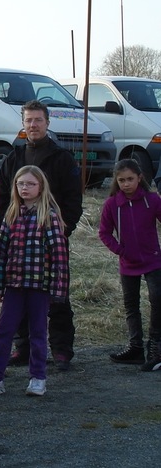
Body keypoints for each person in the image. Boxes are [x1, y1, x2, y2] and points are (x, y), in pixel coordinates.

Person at [0, 100, 82, 371]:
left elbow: (73, 199)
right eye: (29, 120)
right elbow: (1, 197)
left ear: (47, 123)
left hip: (52, 240)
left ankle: (61, 349)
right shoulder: (14, 157)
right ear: (23, 123)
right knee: (18, 292)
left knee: (57, 294)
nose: (33, 125)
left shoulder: (62, 158)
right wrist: (6, 228)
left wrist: (61, 230)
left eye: (38, 120)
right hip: (18, 240)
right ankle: (23, 347)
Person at [0, 165, 69, 398]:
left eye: (31, 184)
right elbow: (0, 252)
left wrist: (58, 289)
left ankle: (38, 377)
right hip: (14, 285)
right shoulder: (11, 215)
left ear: (41, 187)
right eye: (21, 183)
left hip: (39, 285)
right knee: (3, 331)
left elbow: (59, 255)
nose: (25, 188)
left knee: (38, 332)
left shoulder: (49, 216)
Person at [97, 158, 161, 371]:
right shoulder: (112, 204)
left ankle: (156, 346)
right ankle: (135, 348)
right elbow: (104, 233)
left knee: (157, 300)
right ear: (116, 181)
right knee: (131, 305)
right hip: (128, 262)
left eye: (130, 179)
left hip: (153, 260)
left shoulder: (152, 200)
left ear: (139, 178)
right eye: (122, 180)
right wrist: (120, 250)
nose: (126, 184)